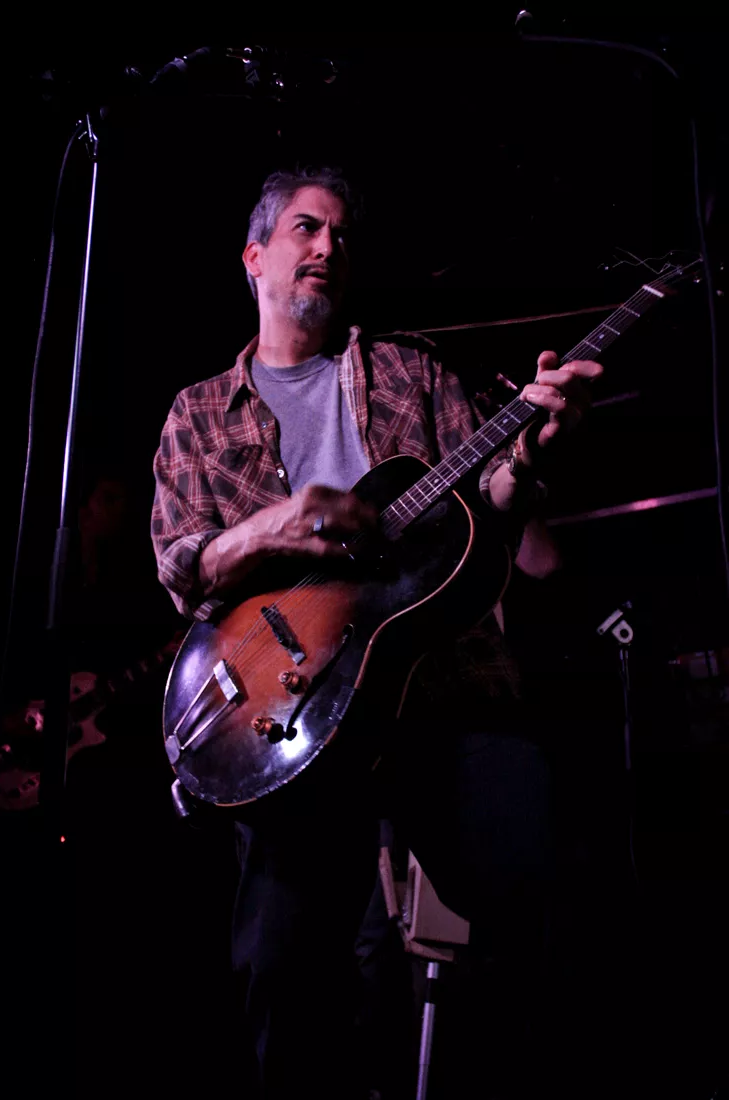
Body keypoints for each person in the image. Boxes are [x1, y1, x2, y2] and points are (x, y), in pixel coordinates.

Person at [151, 166, 603, 1099]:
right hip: (299, 716)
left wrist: (527, 456)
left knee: (545, 904)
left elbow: (496, 514)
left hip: (441, 684)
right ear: (254, 257)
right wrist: (277, 526)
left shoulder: (412, 370)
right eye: (306, 228)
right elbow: (182, 565)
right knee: (283, 970)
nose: (329, 246)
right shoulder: (197, 412)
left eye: (342, 235)